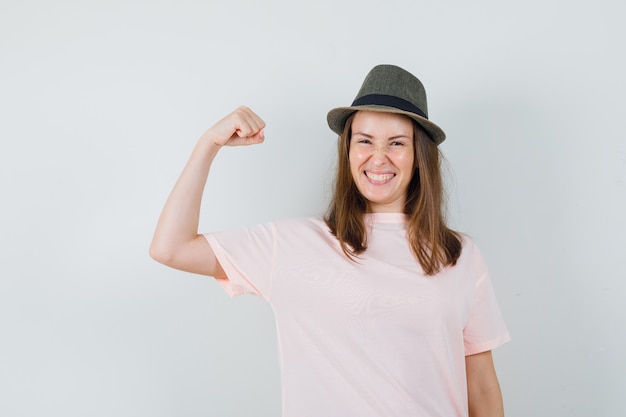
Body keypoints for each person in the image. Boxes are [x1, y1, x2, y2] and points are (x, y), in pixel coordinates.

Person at [150, 64, 510, 417]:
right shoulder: (292, 245)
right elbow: (171, 248)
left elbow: (480, 388)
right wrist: (207, 144)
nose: (378, 157)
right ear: (349, 151)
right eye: (364, 141)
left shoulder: (459, 255)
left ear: (419, 156)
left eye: (397, 143)